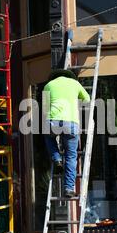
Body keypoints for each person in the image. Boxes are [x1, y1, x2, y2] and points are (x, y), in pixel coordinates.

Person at [43, 69, 90, 198]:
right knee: (71, 156)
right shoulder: (75, 84)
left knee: (48, 137)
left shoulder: (48, 85)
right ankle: (69, 188)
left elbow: (45, 107)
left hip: (53, 121)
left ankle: (57, 158)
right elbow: (87, 99)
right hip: (71, 123)